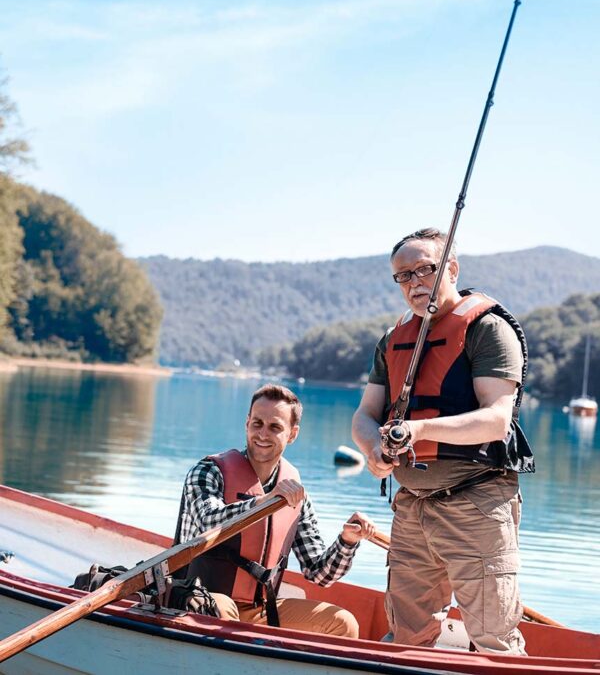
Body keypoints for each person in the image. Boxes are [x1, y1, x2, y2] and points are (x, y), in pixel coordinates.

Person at [351, 227, 534, 654]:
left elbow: (495, 420)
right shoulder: (394, 338)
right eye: (403, 275)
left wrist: (420, 430)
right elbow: (364, 415)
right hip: (412, 506)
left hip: (476, 504)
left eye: (425, 270)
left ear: (451, 268)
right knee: (406, 636)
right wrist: (372, 450)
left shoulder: (487, 329)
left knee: (493, 639)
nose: (414, 283)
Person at [175, 383, 375, 638]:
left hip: (259, 609)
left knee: (342, 623)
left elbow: (319, 574)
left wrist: (347, 541)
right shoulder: (207, 472)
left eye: (275, 427)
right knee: (223, 614)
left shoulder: (294, 493)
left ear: (292, 434)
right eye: (257, 423)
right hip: (197, 598)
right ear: (247, 423)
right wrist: (264, 502)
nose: (262, 434)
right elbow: (208, 523)